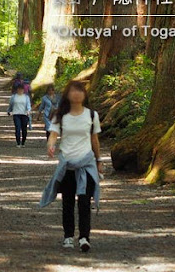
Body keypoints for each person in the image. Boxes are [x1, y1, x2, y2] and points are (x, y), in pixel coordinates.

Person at [39, 80, 103, 252]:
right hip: (67, 165)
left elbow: (94, 139)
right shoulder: (60, 115)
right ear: (67, 94)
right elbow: (53, 134)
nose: (76, 94)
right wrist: (50, 145)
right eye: (73, 90)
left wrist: (99, 161)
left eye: (80, 90)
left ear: (85, 94)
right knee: (67, 202)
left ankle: (84, 237)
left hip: (86, 165)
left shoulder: (92, 115)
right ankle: (68, 236)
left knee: (84, 202)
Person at [7, 83, 31, 147]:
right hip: (16, 114)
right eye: (19, 89)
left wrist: (28, 111)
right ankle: (18, 142)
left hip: (24, 114)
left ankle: (23, 142)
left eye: (22, 89)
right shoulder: (13, 97)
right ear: (17, 89)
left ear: (23, 90)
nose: (20, 90)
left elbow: (28, 105)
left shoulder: (26, 97)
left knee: (24, 129)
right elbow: (11, 105)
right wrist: (9, 111)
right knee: (17, 128)